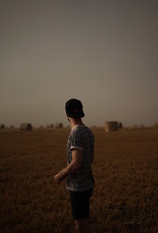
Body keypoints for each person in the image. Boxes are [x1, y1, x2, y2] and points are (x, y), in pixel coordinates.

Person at [54, 98, 95, 233]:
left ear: (67, 115)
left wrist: (61, 174)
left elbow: (76, 163)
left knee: (81, 225)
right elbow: (90, 159)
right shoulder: (88, 131)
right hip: (88, 183)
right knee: (84, 220)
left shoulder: (76, 133)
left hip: (78, 186)